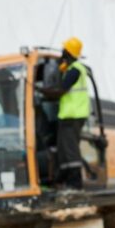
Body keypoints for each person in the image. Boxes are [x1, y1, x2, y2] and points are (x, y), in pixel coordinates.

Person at [39, 36, 90, 189]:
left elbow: (61, 90)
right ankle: (65, 179)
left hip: (73, 115)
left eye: (64, 50)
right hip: (68, 115)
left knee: (70, 149)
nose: (61, 53)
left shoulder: (75, 70)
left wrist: (43, 91)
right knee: (62, 148)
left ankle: (75, 183)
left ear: (68, 52)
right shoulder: (70, 69)